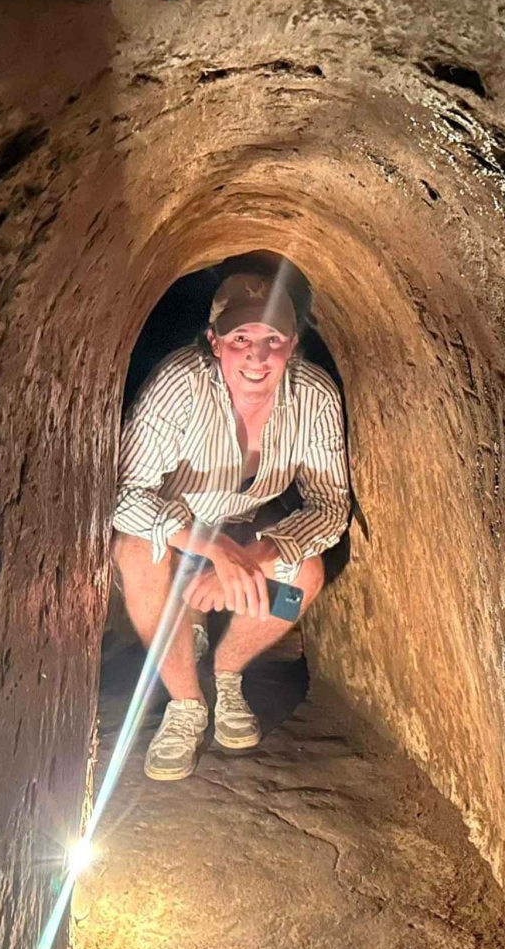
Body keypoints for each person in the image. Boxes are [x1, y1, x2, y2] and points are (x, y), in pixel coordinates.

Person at [111, 268, 351, 781]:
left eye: (272, 340)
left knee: (301, 579)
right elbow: (125, 495)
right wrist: (215, 552)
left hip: (247, 527)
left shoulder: (314, 397)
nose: (257, 357)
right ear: (215, 342)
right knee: (135, 553)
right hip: (176, 529)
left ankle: (227, 671)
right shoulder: (181, 385)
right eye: (241, 338)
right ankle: (186, 703)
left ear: (292, 345)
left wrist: (253, 558)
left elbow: (331, 506)